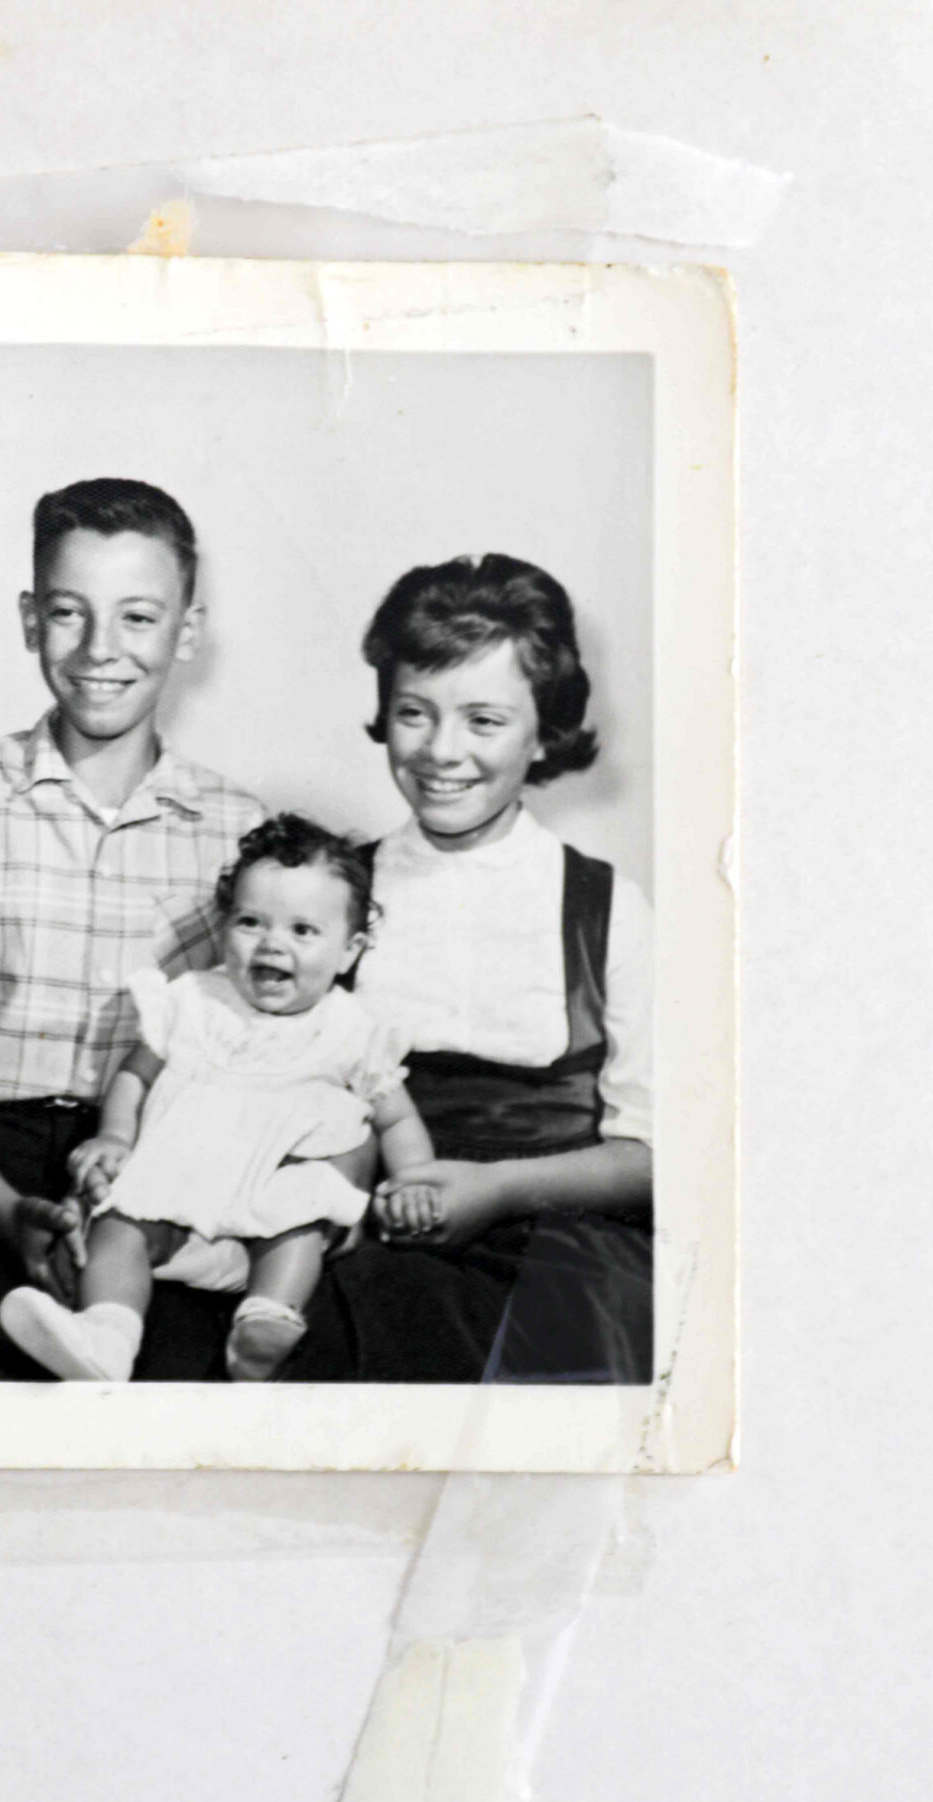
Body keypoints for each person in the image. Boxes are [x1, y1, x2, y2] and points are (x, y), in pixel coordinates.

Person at [297, 553, 654, 1384]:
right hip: (360, 1231)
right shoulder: (334, 891)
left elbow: (650, 1153)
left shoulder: (605, 907)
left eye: (484, 721)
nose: (441, 751)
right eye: (415, 713)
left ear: (545, 732)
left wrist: (493, 1192)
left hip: (559, 1259)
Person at [0, 478, 265, 1379]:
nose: (101, 650)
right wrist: (1, 1204)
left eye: (138, 617)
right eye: (68, 612)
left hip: (154, 1173)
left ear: (188, 631)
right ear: (28, 619)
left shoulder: (239, 828)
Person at [0, 815, 436, 1383]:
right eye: (251, 921)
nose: (272, 942)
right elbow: (135, 1076)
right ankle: (106, 1338)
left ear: (349, 951)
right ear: (224, 926)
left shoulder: (351, 1029)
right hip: (174, 1196)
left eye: (303, 931)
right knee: (120, 1221)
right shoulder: (193, 1001)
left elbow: (395, 1116)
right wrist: (114, 1136)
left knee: (304, 1215)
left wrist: (418, 1180)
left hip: (265, 1221)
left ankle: (265, 1323)